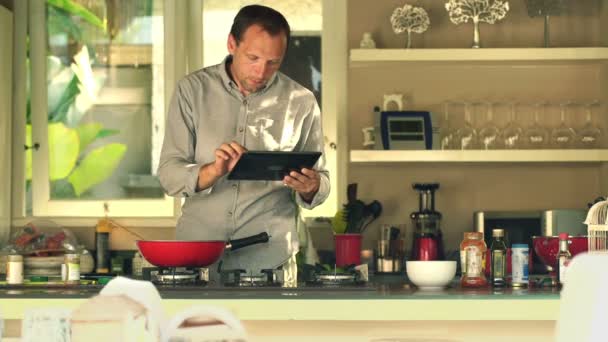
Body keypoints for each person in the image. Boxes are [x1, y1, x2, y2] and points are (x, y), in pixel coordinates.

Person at [158, 5, 330, 276]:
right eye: (253, 58)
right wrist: (212, 171)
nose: (261, 71)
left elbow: (322, 182)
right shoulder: (191, 91)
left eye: (273, 62)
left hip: (271, 259)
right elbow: (169, 176)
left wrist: (311, 186)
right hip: (199, 259)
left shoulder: (302, 102)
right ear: (231, 44)